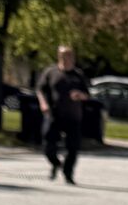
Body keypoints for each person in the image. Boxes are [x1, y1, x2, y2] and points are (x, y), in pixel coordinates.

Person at [36, 44, 94, 183]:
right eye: (63, 55)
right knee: (48, 145)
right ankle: (56, 163)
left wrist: (80, 95)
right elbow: (40, 89)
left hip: (73, 116)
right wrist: (43, 103)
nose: (66, 58)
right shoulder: (51, 72)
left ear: (73, 57)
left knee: (73, 147)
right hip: (54, 114)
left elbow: (87, 95)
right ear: (59, 56)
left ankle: (68, 174)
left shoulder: (78, 75)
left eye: (69, 55)